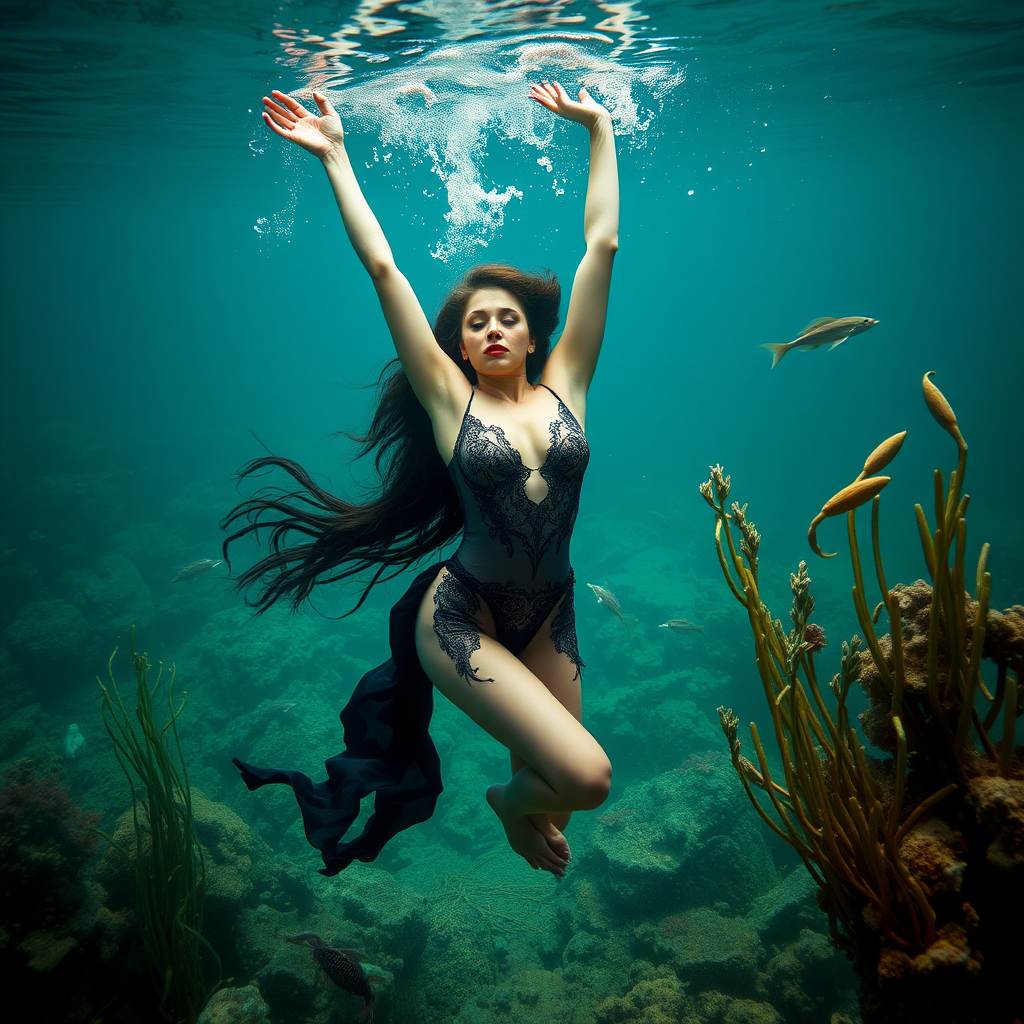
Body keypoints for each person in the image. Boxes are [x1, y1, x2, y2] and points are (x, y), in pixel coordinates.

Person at [227, 79, 619, 881]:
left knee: (560, 788)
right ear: (461, 349)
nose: (493, 327)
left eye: (508, 316)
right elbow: (383, 268)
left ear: (535, 337)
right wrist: (336, 155)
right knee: (586, 779)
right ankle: (510, 804)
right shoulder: (450, 401)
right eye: (476, 323)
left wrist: (601, 127)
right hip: (462, 615)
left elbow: (601, 249)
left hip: (551, 612)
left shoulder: (568, 384)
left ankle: (518, 802)